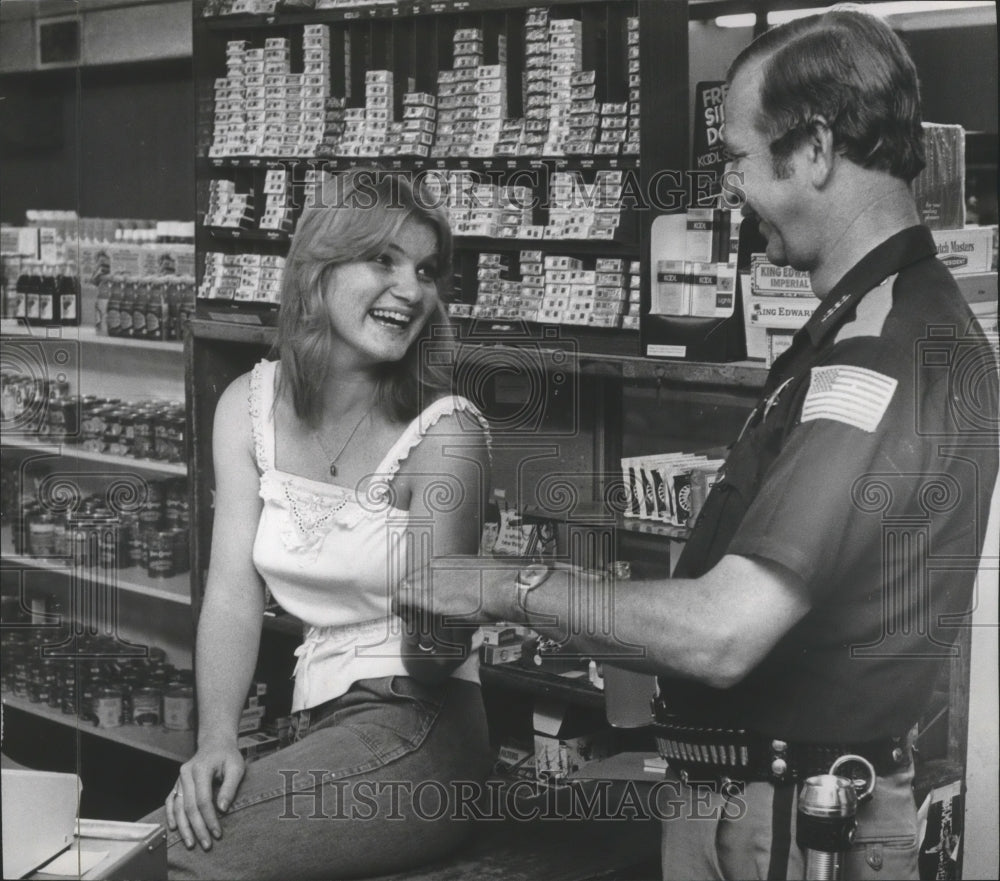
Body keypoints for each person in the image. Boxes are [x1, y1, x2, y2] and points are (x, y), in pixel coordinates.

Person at [402, 8, 998, 881]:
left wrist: (502, 584)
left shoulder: (882, 348)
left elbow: (724, 630)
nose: (727, 189)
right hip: (761, 807)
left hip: (786, 826)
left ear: (816, 148)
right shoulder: (868, 324)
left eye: (736, 160)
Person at [153, 169, 493, 880]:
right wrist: (216, 738)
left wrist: (464, 597)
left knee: (184, 851)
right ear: (318, 269)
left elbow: (434, 654)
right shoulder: (248, 405)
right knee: (158, 835)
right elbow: (232, 593)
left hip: (421, 724)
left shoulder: (445, 432)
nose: (411, 289)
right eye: (383, 259)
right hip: (317, 717)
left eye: (427, 270)